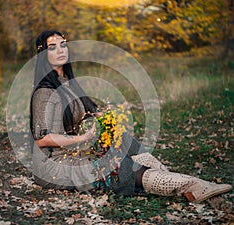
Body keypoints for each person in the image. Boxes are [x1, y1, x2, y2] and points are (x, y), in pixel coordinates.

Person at [30, 30, 232, 203]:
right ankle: (190, 186)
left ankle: (170, 178)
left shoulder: (67, 82)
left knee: (123, 137)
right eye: (52, 47)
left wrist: (105, 121)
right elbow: (42, 139)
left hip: (76, 151)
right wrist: (83, 138)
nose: (60, 50)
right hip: (54, 166)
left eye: (63, 45)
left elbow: (85, 113)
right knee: (118, 166)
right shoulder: (44, 92)